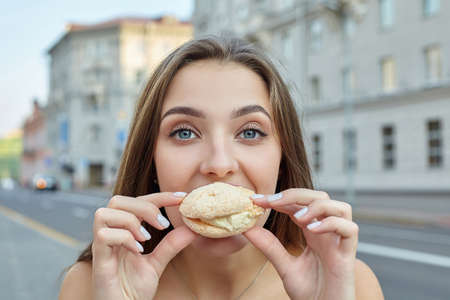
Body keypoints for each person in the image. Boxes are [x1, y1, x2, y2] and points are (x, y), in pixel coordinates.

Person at [59, 36, 384, 300]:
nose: (219, 165)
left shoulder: (351, 284)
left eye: (250, 132)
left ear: (282, 158)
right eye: (184, 132)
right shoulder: (91, 286)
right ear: (150, 157)